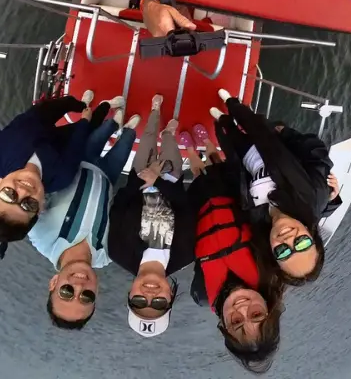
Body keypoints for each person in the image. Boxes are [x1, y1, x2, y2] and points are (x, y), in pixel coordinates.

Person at [0, 57, 119, 245]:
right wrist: (85, 122)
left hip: (38, 116)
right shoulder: (60, 178)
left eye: (9, 194)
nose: (23, 191)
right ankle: (102, 107)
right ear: (39, 209)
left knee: (66, 103)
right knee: (90, 126)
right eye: (28, 204)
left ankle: (80, 104)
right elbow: (76, 147)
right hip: (60, 141)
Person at [29, 106, 143, 329]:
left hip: (81, 160)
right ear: (97, 292)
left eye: (67, 291)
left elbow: (33, 191)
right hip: (109, 176)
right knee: (129, 138)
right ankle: (126, 127)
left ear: (53, 283)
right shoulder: (111, 253)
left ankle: (113, 120)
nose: (79, 286)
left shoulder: (39, 234)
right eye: (87, 296)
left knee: (103, 131)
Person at [209, 90, 333, 286]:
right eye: (302, 243)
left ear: (273, 254)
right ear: (312, 235)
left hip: (242, 155)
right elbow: (316, 154)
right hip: (268, 138)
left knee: (228, 130)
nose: (289, 240)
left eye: (283, 252)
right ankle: (231, 102)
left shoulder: (256, 224)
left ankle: (223, 119)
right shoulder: (314, 194)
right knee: (245, 115)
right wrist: (287, 134)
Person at [187, 143, 283, 373]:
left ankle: (190, 146)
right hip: (232, 193)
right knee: (215, 159)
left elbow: (197, 260)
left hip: (200, 207)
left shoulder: (202, 294)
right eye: (256, 314)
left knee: (197, 171)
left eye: (236, 321)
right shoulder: (271, 269)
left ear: (224, 326)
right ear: (269, 311)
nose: (242, 308)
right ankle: (210, 141)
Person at [108, 94, 195, 338]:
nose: (149, 296)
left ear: (129, 294)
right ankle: (167, 133)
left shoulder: (117, 250)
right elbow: (186, 208)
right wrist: (158, 180)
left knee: (146, 138)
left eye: (138, 302)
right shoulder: (187, 253)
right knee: (168, 143)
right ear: (170, 297)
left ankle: (155, 110)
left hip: (139, 176)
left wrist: (141, 180)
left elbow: (119, 206)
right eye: (158, 304)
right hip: (170, 179)